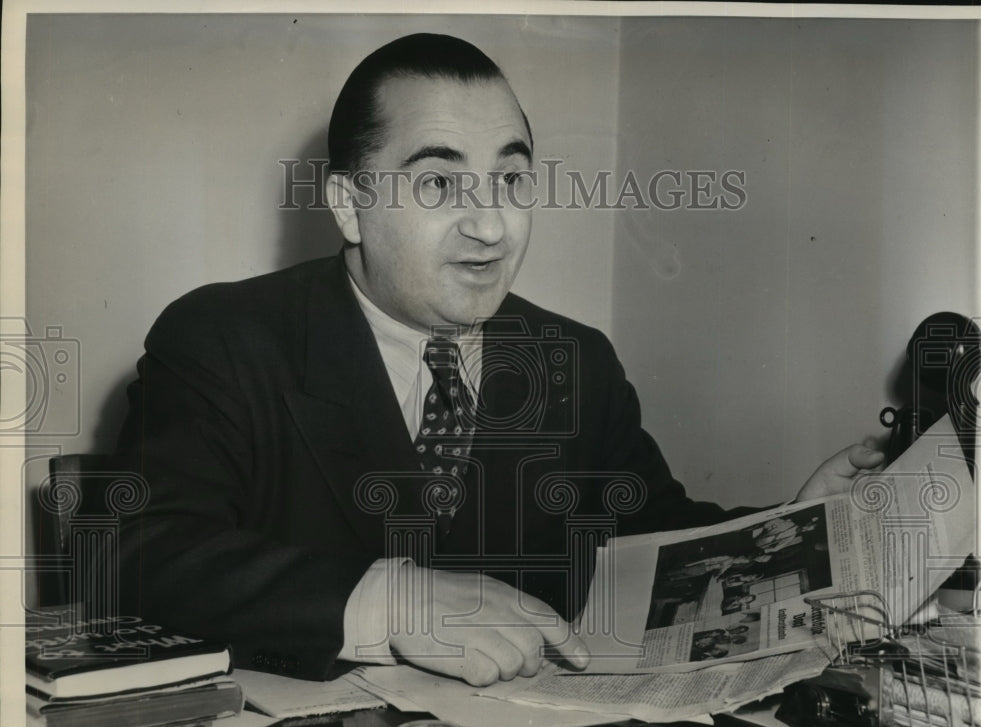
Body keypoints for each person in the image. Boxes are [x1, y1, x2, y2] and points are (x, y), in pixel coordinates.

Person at [114, 33, 883, 686]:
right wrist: (393, 603)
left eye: (511, 179)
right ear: (350, 203)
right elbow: (143, 553)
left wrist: (800, 527)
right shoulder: (222, 338)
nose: (490, 225)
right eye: (440, 181)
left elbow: (651, 546)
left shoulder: (575, 362)